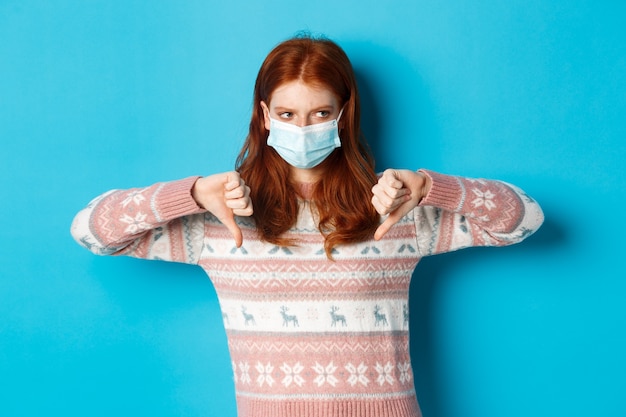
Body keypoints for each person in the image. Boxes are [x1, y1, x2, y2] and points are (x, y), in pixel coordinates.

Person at [71, 34, 544, 417]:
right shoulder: (220, 218)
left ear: (343, 115)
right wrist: (189, 193)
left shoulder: (394, 208)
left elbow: (524, 219)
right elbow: (92, 230)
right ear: (264, 116)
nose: (303, 127)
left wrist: (429, 188)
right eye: (287, 114)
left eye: (320, 113)